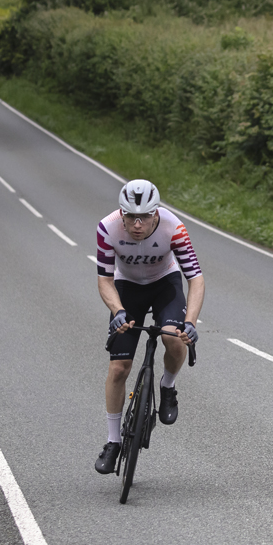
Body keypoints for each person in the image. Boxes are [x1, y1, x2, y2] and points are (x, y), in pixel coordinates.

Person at [94, 179, 204, 474]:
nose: (137, 224)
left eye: (145, 216)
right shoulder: (107, 228)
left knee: (172, 337)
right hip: (126, 288)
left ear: (156, 212)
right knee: (119, 368)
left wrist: (190, 322)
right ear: (122, 213)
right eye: (130, 216)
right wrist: (117, 310)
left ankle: (167, 385)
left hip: (164, 285)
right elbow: (104, 280)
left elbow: (195, 279)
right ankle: (113, 441)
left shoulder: (174, 227)